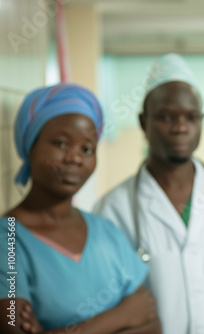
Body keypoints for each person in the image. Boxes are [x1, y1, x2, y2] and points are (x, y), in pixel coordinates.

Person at [93, 54, 204, 334]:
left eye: (191, 117)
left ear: (201, 122)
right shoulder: (112, 210)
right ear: (143, 121)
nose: (181, 127)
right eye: (166, 117)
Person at [0, 83, 160, 334]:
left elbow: (154, 325)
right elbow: (11, 326)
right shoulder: (8, 239)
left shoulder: (105, 231)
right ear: (30, 144)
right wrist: (121, 316)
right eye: (61, 143)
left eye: (86, 149)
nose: (74, 158)